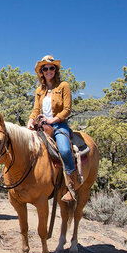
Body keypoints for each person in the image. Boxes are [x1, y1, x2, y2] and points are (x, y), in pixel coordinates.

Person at [27, 55, 80, 202]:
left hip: (58, 125)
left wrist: (52, 120)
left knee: (63, 149)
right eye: (45, 69)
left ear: (55, 70)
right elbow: (36, 109)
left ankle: (71, 185)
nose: (48, 71)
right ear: (42, 72)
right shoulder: (39, 90)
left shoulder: (63, 86)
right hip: (41, 126)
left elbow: (67, 109)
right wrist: (31, 121)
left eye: (51, 68)